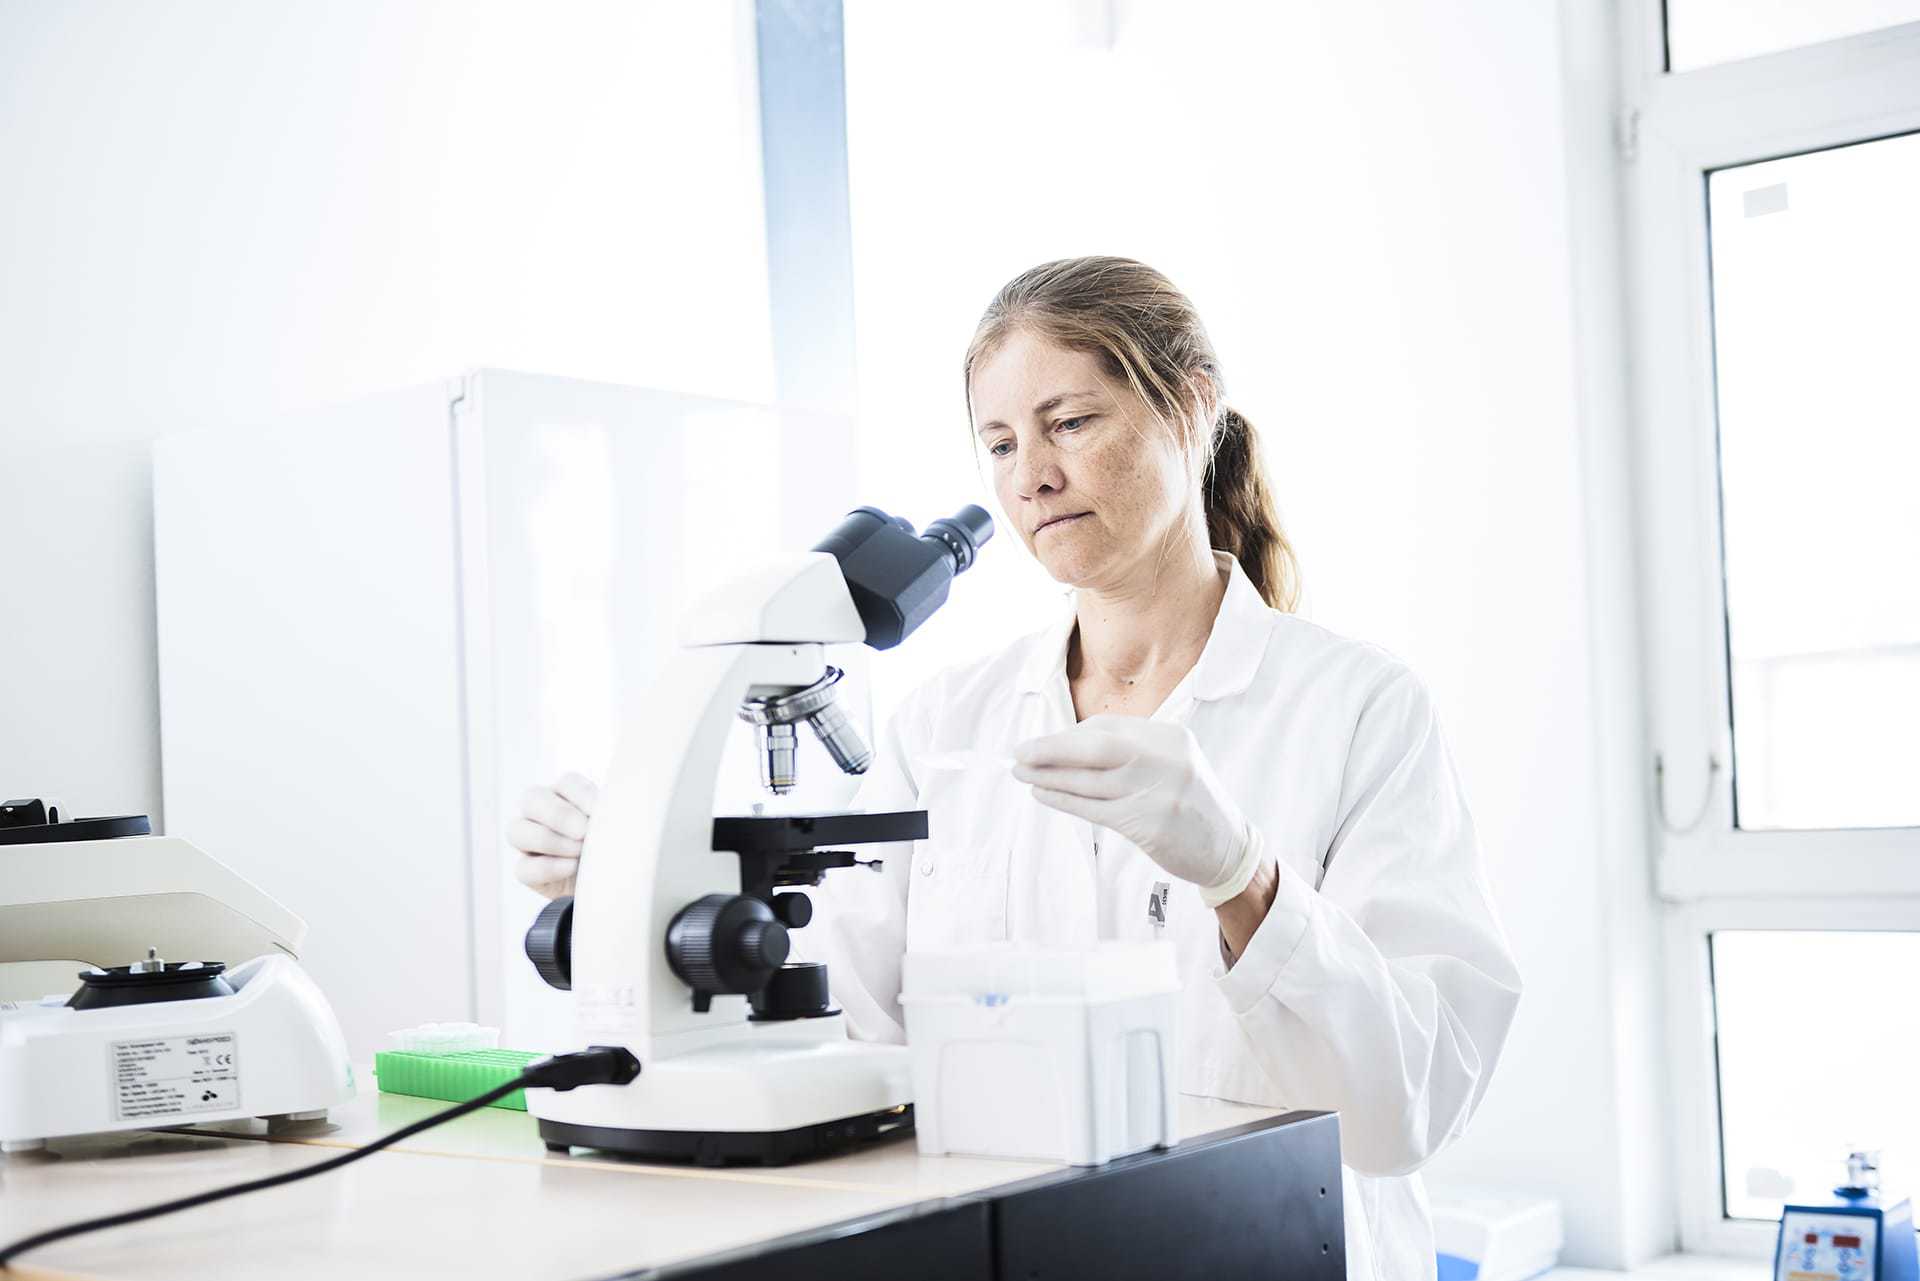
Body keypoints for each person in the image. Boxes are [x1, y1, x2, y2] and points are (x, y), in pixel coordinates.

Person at [510, 256, 1521, 1281]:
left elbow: (1413, 1104)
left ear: (1193, 407)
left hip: (1277, 1249)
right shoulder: (948, 723)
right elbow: (849, 1035)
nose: (1029, 474)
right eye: (999, 442)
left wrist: (1243, 878)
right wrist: (642, 884)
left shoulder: (1357, 708)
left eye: (1069, 423)